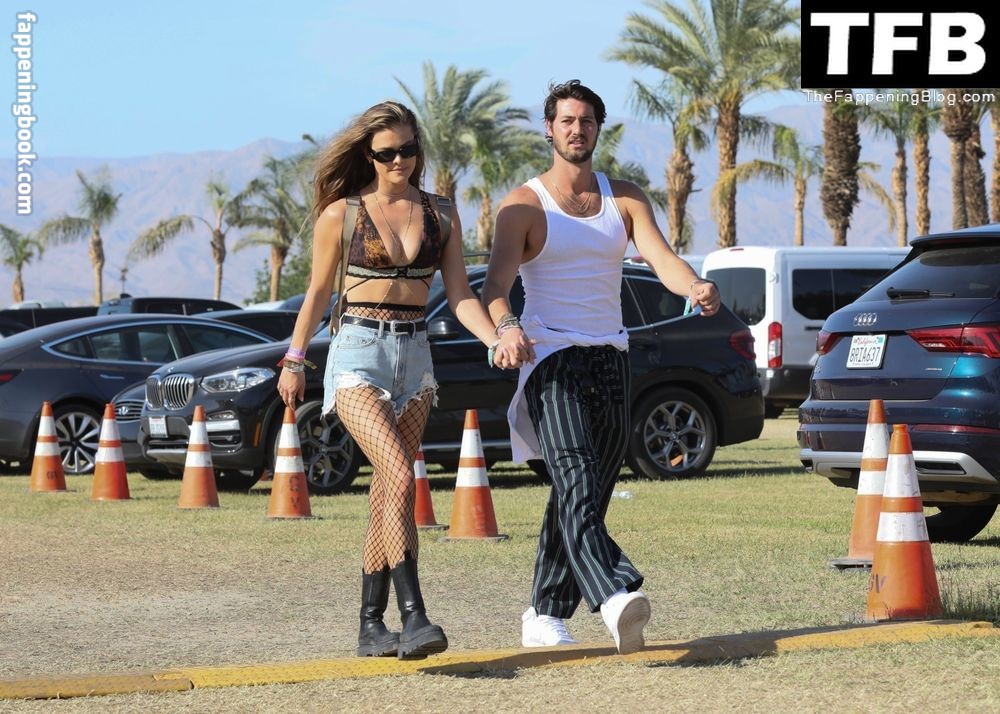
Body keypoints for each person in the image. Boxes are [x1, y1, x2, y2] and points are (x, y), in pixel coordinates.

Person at [482, 80, 721, 654]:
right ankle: (614, 594)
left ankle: (543, 611)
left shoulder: (626, 198)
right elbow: (494, 287)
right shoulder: (523, 204)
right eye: (566, 120)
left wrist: (695, 284)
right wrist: (507, 328)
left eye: (586, 120)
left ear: (597, 129)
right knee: (576, 473)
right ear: (549, 128)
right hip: (550, 355)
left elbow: (661, 259)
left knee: (589, 487)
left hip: (611, 354)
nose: (577, 129)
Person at [277, 101, 520, 660]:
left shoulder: (440, 212)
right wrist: (294, 359)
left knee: (389, 490)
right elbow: (317, 293)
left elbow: (459, 294)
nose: (399, 161)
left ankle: (370, 625)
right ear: (368, 154)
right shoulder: (342, 214)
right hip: (358, 353)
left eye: (408, 149)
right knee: (396, 471)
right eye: (387, 153)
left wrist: (495, 339)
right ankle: (415, 615)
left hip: (416, 357)